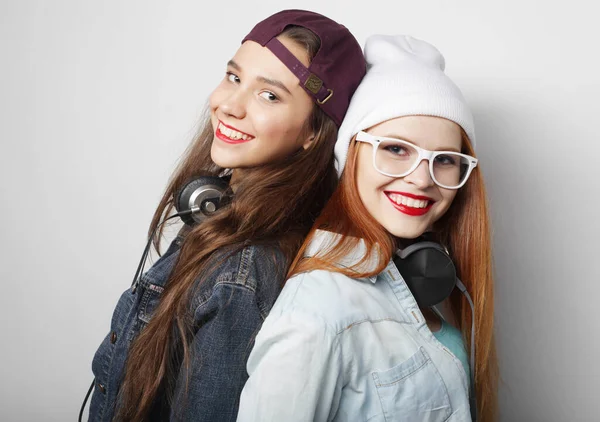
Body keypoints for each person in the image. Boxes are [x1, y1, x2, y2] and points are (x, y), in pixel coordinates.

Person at [86, 10, 366, 422]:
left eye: (269, 95)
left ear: (313, 133)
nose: (229, 106)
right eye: (234, 77)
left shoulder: (242, 272)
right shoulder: (221, 225)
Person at [238, 35, 498, 421]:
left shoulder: (424, 279)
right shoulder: (316, 313)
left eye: (444, 159)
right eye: (395, 149)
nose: (423, 180)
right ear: (351, 155)